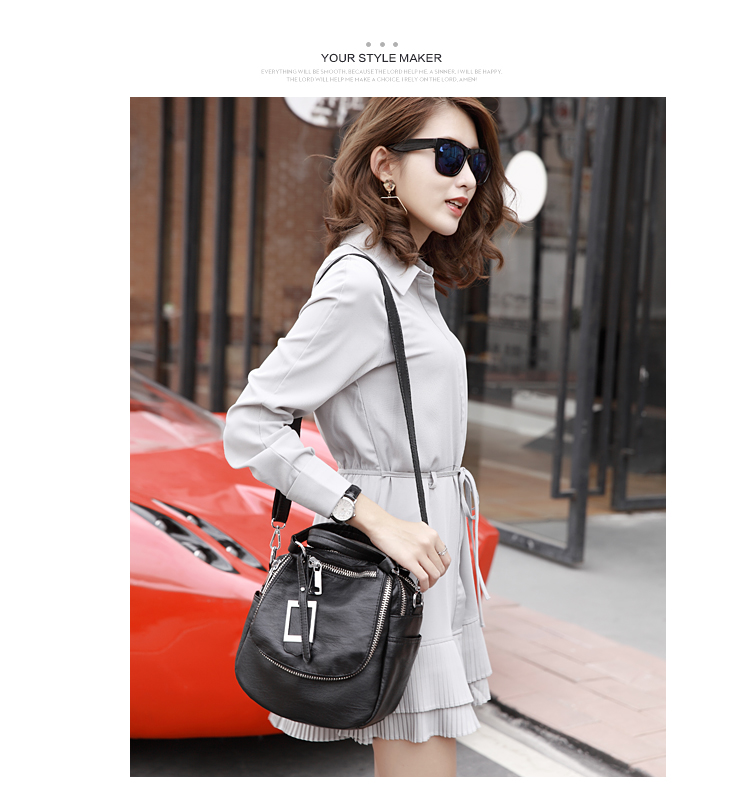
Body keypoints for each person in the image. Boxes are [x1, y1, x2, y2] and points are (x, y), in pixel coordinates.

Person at [223, 97, 517, 777]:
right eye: (447, 156)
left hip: (425, 543)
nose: (466, 178)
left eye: (475, 163)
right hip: (396, 545)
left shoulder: (406, 277)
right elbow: (252, 422)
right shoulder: (361, 282)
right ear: (385, 165)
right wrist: (376, 519)